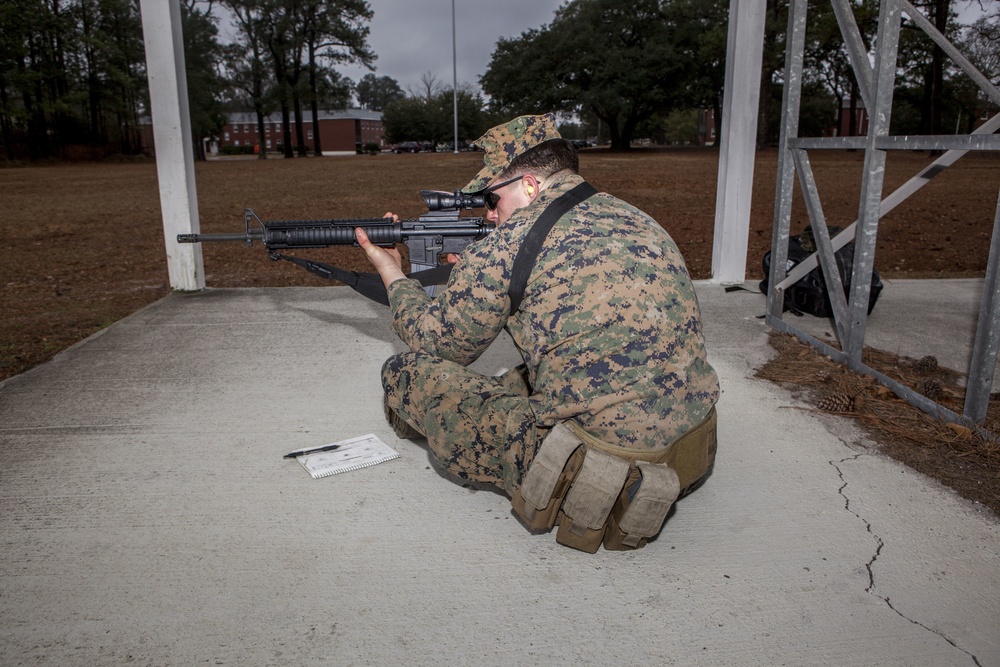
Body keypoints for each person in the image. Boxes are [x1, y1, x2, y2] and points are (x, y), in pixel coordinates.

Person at [355, 113, 719, 552]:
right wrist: (489, 286)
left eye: (492, 199)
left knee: (406, 371)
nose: (490, 215)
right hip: (690, 448)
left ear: (529, 185)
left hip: (600, 471)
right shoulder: (636, 217)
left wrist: (392, 273)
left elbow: (436, 344)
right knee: (516, 379)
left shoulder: (505, 246)